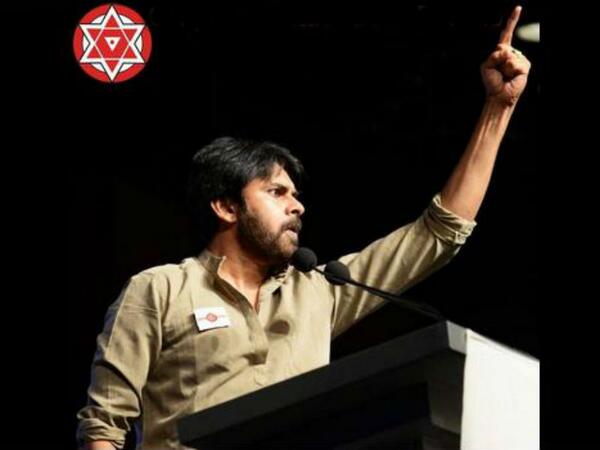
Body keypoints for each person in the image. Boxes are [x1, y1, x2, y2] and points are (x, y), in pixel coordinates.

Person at [76, 6, 531, 449]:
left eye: (295, 195)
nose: (297, 206)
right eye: (277, 192)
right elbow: (104, 426)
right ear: (226, 207)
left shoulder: (318, 291)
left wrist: (498, 108)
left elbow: (436, 233)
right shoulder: (159, 289)